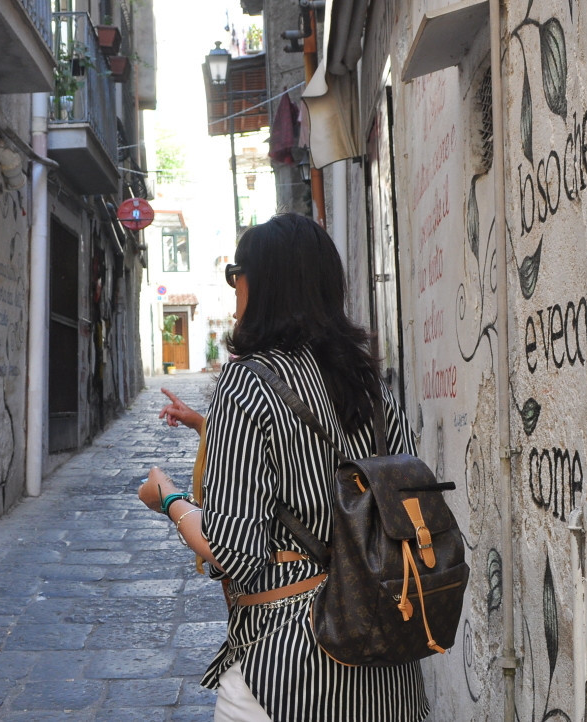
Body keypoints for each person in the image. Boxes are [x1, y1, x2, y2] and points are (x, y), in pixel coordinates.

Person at [137, 213, 428, 721]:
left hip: (288, 672)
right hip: (388, 672)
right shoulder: (371, 387)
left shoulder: (246, 384)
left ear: (260, 284)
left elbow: (234, 553)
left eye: (235, 274)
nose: (233, 288)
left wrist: (168, 499)